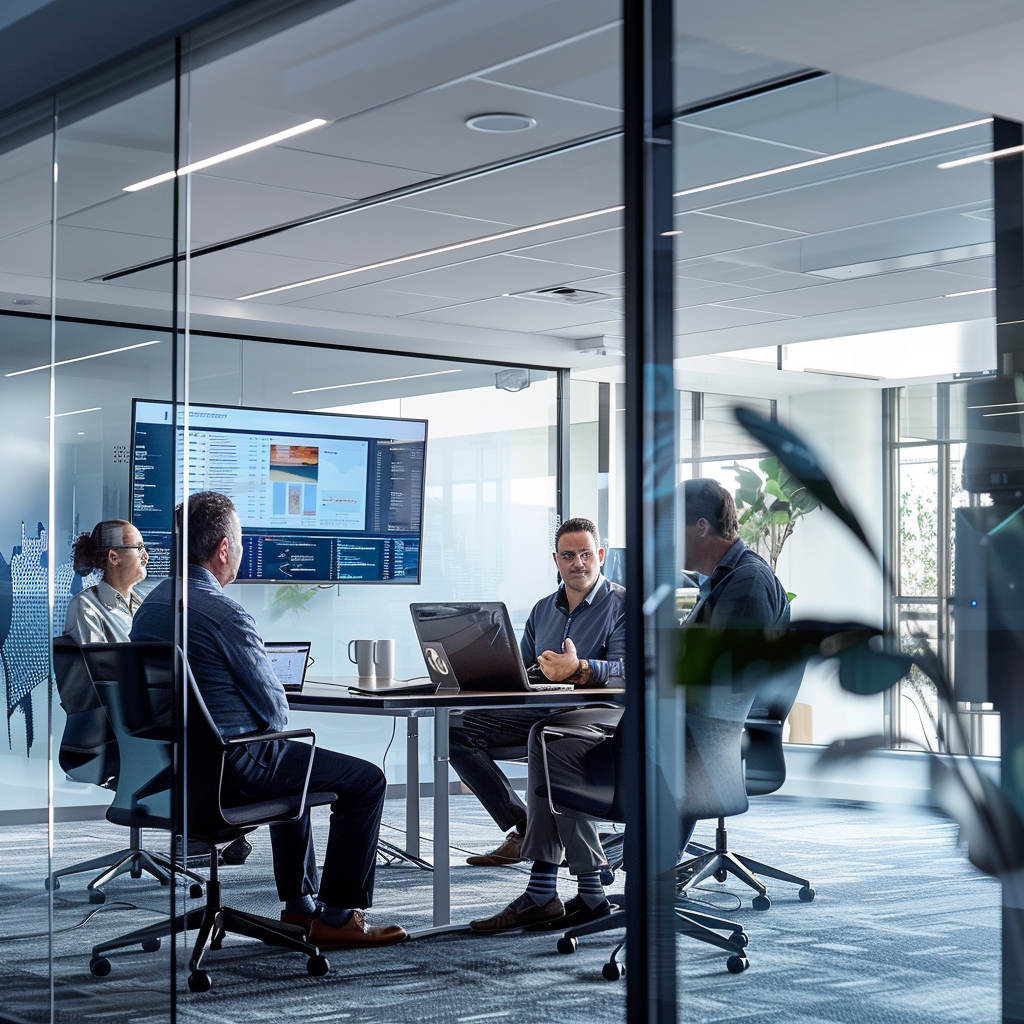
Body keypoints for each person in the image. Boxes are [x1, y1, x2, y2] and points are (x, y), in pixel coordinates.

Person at [469, 478, 790, 935]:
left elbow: (719, 683)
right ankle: (566, 891)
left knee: (551, 741)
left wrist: (615, 671)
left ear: (699, 527)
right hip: (679, 734)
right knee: (547, 738)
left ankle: (565, 890)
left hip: (692, 744)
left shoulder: (746, 585)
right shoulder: (722, 582)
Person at [131, 491, 406, 950]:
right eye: (239, 542)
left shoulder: (151, 608)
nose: (240, 550)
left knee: (291, 763)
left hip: (172, 774)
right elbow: (276, 710)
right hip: (231, 770)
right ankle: (337, 918)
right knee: (366, 780)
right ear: (223, 549)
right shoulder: (224, 613)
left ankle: (299, 907)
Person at [451, 517, 625, 871]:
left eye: (586, 554)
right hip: (541, 708)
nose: (578, 563)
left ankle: (556, 863)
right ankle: (523, 826)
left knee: (545, 737)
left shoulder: (622, 604)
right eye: (568, 555)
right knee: (453, 731)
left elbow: (627, 671)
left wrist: (580, 669)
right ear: (556, 560)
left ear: (601, 555)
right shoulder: (543, 609)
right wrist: (487, 669)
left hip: (595, 713)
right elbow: (525, 668)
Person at [64, 520, 148, 644]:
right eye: (139, 547)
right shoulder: (84, 607)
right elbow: (97, 661)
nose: (145, 556)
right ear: (114, 557)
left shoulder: (143, 602)